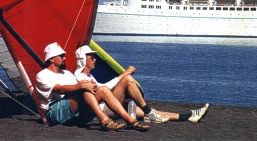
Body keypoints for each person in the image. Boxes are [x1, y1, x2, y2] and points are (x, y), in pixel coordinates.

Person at [74, 45, 209, 123]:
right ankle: (148, 111)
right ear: (82, 60)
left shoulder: (89, 75)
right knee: (127, 80)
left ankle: (188, 116)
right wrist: (124, 74)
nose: (95, 60)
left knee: (153, 114)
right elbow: (103, 90)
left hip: (109, 106)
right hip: (103, 110)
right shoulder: (79, 76)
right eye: (91, 57)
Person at [35, 42, 150, 132]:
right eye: (61, 56)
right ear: (51, 59)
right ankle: (104, 120)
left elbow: (77, 89)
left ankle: (130, 120)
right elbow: (59, 89)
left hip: (75, 112)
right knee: (84, 88)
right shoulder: (42, 75)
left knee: (102, 89)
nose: (65, 58)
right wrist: (83, 85)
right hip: (55, 113)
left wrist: (92, 87)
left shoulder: (67, 74)